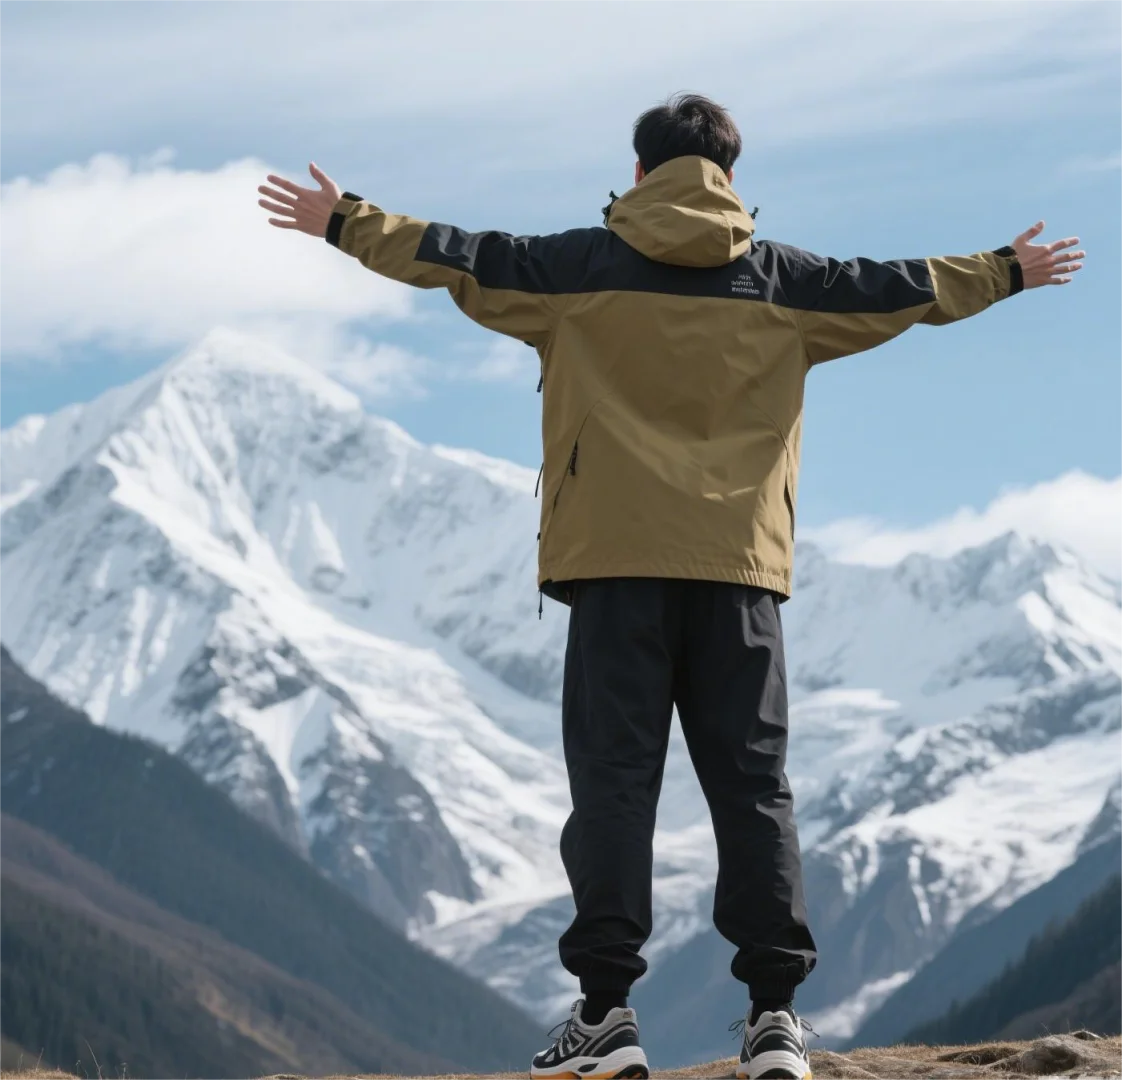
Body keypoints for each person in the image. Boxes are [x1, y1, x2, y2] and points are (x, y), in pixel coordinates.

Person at [258, 93, 1084, 1080]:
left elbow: (453, 253)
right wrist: (1009, 271)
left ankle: (606, 1017)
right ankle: (775, 1019)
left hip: (613, 575)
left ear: (642, 174)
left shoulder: (574, 271)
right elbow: (903, 286)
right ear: (731, 179)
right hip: (740, 579)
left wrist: (344, 219)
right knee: (753, 790)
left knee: (613, 787)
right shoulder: (787, 282)